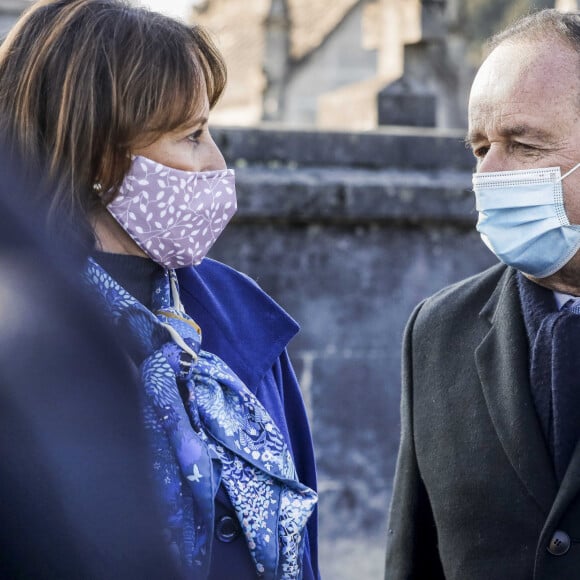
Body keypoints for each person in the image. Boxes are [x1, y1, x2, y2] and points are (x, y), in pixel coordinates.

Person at [0, 1, 319, 579]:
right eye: (192, 135)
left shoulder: (240, 313)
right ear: (99, 150)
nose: (218, 163)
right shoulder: (25, 329)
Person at [385, 9, 580, 580]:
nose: (490, 175)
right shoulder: (438, 330)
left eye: (522, 145)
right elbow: (414, 558)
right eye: (479, 149)